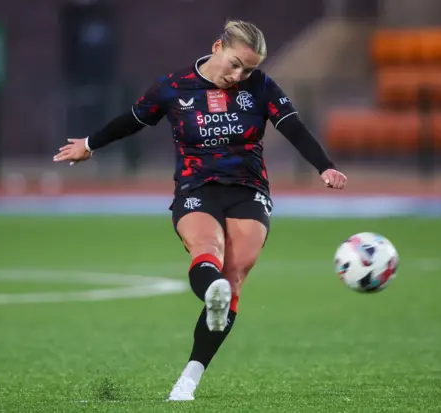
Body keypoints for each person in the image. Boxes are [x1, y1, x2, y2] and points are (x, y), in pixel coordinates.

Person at [53, 19, 347, 401]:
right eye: (235, 64)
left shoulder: (260, 87)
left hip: (248, 190)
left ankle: (188, 379)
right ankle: (214, 293)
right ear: (217, 47)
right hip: (196, 187)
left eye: (249, 69)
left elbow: (294, 127)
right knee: (206, 248)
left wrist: (324, 165)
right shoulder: (174, 87)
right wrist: (90, 144)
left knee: (236, 270)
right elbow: (134, 119)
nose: (239, 74)